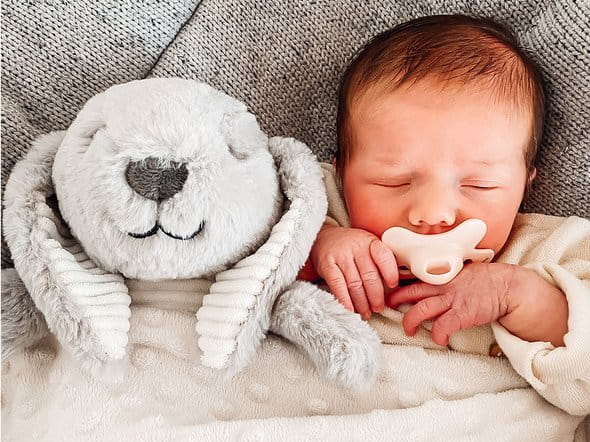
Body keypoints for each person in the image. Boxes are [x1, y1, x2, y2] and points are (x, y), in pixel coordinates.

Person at [299, 14, 589, 413]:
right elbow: (232, 241)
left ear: (525, 185)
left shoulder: (549, 249)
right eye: (393, 181)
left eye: (478, 185)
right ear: (341, 171)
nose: (434, 214)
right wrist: (314, 244)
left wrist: (520, 296)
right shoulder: (315, 203)